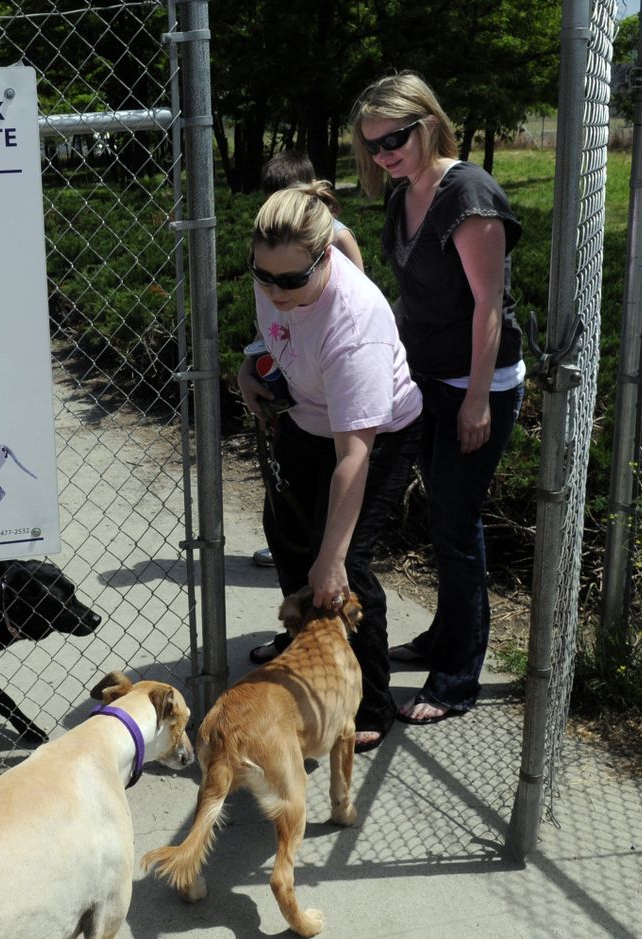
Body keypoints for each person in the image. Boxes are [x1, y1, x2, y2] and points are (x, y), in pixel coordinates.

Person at [349, 72, 526, 726]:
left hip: (473, 384)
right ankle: (440, 640)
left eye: (395, 137)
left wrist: (477, 399)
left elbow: (488, 307)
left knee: (456, 527)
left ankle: (457, 678)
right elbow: (414, 295)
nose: (384, 152)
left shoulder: (469, 193)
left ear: (428, 123)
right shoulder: (404, 192)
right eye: (372, 144)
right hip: (425, 378)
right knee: (441, 518)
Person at [238, 182, 423, 752]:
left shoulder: (356, 322)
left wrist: (333, 558)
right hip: (306, 416)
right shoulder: (279, 271)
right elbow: (274, 331)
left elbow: (355, 455)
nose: (274, 289)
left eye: (292, 280)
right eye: (263, 275)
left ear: (325, 259)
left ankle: (371, 700)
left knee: (345, 568)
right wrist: (252, 366)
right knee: (288, 536)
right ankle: (306, 650)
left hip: (376, 435)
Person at [250, 149, 364, 570]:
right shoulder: (268, 248)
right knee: (287, 512)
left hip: (336, 398)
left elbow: (348, 312)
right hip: (297, 393)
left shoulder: (336, 240)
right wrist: (255, 364)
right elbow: (272, 322)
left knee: (330, 513)